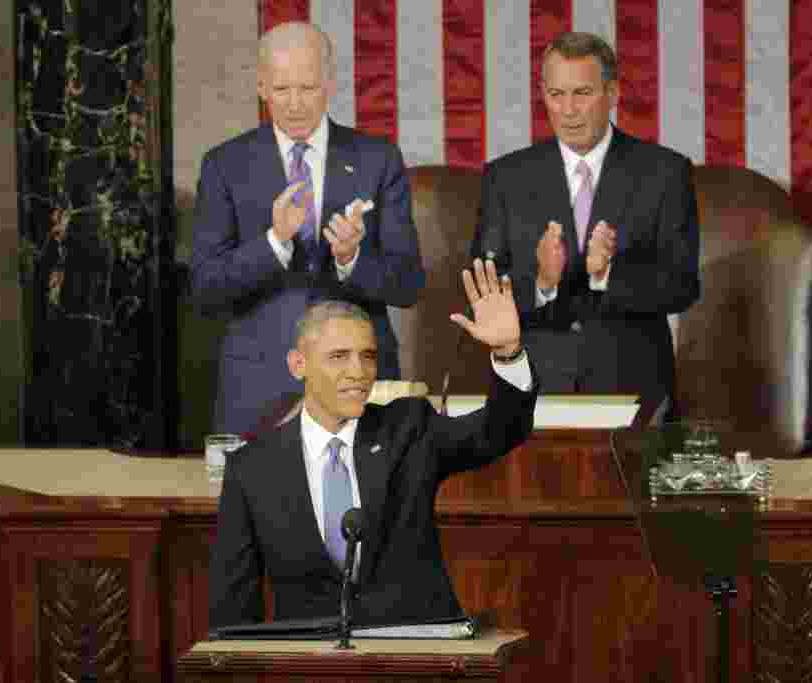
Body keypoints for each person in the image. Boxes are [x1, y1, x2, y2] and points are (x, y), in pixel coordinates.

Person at [209, 259, 537, 629]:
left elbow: (498, 432)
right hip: (311, 665)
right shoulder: (252, 467)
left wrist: (508, 353)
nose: (358, 372)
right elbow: (232, 611)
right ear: (298, 364)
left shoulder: (409, 428)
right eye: (338, 357)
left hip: (418, 658)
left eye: (368, 356)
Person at [191, 22, 425, 435]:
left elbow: (407, 284)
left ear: (330, 84)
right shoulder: (224, 165)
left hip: (359, 386)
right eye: (281, 90)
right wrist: (273, 243)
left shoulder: (378, 160)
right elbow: (206, 287)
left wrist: (353, 258)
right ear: (261, 87)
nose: (295, 104)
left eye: (308, 88)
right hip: (259, 390)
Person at [471, 32, 700, 409]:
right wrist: (543, 282)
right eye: (556, 95)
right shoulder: (506, 177)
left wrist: (606, 274)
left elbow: (682, 286)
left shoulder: (664, 172)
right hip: (534, 387)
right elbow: (483, 294)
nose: (568, 110)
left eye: (582, 93)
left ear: (612, 93)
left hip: (633, 387)